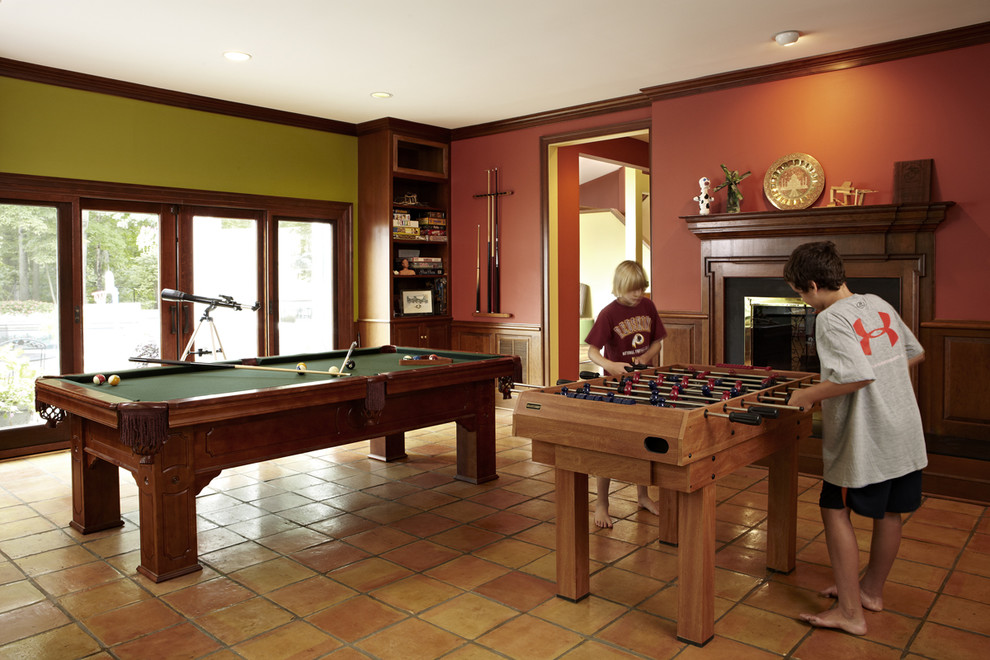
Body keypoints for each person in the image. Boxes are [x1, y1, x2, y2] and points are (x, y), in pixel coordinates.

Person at [783, 241, 927, 636]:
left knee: (834, 509)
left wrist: (808, 395)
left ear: (812, 284)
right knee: (891, 511)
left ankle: (849, 613)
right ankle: (870, 593)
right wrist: (881, 371)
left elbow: (856, 375)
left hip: (868, 437)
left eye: (800, 294)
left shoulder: (829, 319)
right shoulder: (877, 302)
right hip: (904, 429)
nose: (804, 302)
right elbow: (914, 352)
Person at [584, 260, 667, 528]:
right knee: (609, 445)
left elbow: (657, 341)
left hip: (645, 383)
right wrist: (611, 366)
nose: (638, 294)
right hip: (615, 387)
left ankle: (643, 496)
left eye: (641, 289)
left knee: (645, 440)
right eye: (633, 290)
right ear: (620, 287)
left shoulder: (648, 306)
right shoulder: (608, 313)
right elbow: (592, 352)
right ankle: (602, 504)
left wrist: (646, 357)